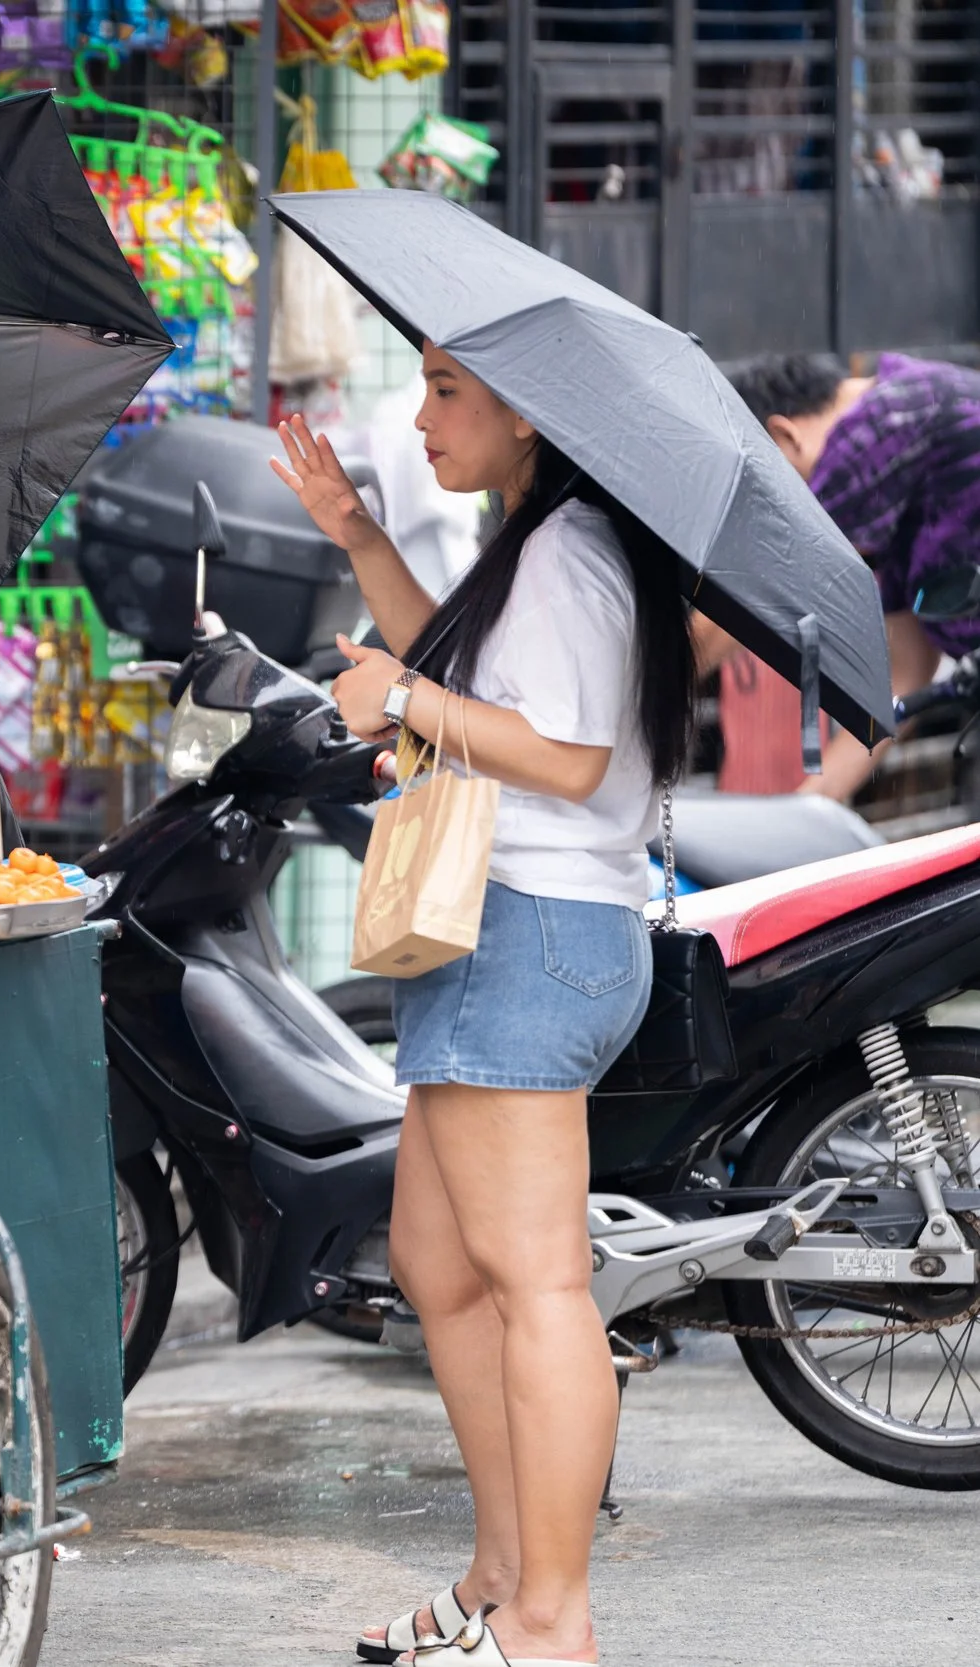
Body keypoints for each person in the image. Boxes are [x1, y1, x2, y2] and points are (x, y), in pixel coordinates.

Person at [272, 345, 696, 1667]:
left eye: (449, 389)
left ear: (527, 405)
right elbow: (475, 685)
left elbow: (563, 758)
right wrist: (358, 534)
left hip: (533, 932)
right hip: (497, 929)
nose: (422, 414)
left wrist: (400, 696)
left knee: (536, 1282)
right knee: (441, 1266)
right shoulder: (539, 542)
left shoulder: (570, 551)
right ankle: (501, 1574)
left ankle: (552, 1618)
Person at [722, 351, 980, 800]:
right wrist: (806, 812)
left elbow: (755, 587)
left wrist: (648, 689)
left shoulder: (879, 425)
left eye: (759, 487)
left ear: (783, 437)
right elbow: (906, 673)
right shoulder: (906, 476)